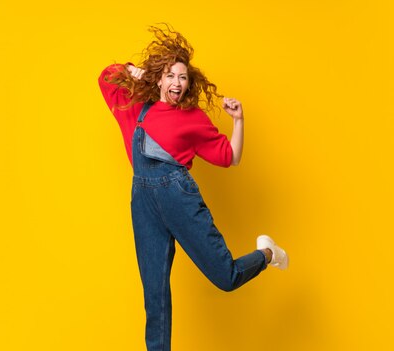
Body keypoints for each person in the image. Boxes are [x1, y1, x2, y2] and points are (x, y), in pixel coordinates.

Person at [98, 25, 288, 351]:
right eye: (170, 75)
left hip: (179, 199)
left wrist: (239, 121)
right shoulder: (133, 106)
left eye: (183, 77)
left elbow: (230, 157)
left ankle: (268, 253)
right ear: (158, 78)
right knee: (154, 296)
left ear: (189, 84)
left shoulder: (192, 118)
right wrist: (136, 71)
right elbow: (105, 75)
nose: (177, 83)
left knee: (226, 278)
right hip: (143, 204)